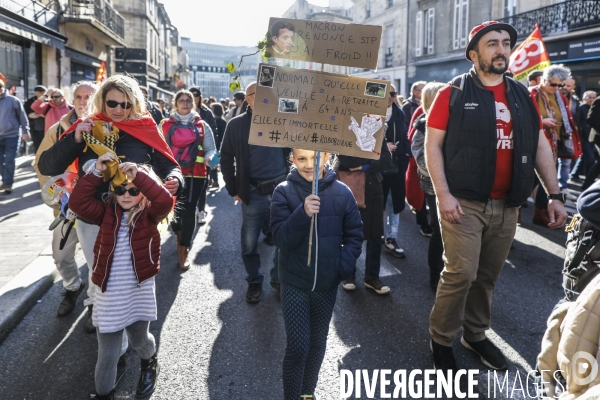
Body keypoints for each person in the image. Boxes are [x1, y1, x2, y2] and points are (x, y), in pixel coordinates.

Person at [425, 21, 567, 371]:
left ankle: (474, 335)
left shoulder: (520, 94)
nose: (501, 49)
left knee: (487, 276)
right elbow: (433, 145)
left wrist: (555, 193)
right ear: (474, 54)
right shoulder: (453, 92)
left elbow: (537, 144)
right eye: (492, 44)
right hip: (464, 201)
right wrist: (443, 194)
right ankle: (441, 338)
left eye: (505, 43)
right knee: (461, 273)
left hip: (508, 204)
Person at [37, 75, 182, 333]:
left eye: (125, 105)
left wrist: (174, 179)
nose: (118, 109)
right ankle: (108, 324)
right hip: (94, 214)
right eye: (112, 102)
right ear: (102, 101)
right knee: (100, 270)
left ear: (134, 104)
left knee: (134, 274)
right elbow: (47, 165)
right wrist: (75, 140)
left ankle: (132, 331)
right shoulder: (86, 126)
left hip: (135, 214)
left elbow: (169, 164)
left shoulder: (146, 127)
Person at [69, 157, 173, 400]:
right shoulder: (105, 211)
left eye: (134, 190)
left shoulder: (150, 214)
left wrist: (139, 175)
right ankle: (104, 395)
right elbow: (77, 202)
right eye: (120, 189)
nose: (126, 195)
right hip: (108, 295)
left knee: (140, 340)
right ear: (112, 190)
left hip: (138, 290)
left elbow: (164, 199)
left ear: (143, 191)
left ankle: (150, 363)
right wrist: (96, 171)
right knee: (108, 354)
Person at [271, 149, 363, 400]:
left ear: (327, 157)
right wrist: (302, 213)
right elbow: (280, 239)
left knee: (317, 342)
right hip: (294, 283)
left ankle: (307, 393)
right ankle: (291, 396)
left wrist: (341, 268)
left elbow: (355, 234)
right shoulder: (283, 191)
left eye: (315, 158)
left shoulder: (342, 193)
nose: (309, 165)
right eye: (302, 159)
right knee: (298, 346)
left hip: (326, 284)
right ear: (292, 160)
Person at [33, 81, 97, 317]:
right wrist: (56, 193)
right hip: (65, 208)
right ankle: (72, 287)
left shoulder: (108, 128)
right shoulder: (58, 130)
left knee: (95, 260)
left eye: (89, 97)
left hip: (96, 208)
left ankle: (93, 303)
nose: (83, 102)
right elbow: (41, 164)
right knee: (61, 256)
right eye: (79, 97)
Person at [220, 82, 288, 303]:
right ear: (246, 99)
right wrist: (233, 189)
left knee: (284, 239)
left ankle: (278, 279)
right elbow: (226, 158)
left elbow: (294, 148)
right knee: (249, 243)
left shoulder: (280, 119)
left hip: (281, 189)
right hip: (253, 191)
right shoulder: (237, 125)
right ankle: (254, 281)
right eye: (255, 94)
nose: (262, 98)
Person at [160, 90, 216, 269]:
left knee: (189, 209)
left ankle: (184, 249)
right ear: (175, 104)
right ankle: (178, 234)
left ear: (194, 103)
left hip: (196, 174)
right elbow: (157, 148)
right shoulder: (164, 125)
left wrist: (210, 158)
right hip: (171, 173)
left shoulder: (202, 125)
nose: (185, 103)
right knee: (173, 207)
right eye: (181, 100)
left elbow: (210, 148)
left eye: (188, 101)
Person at [338, 132, 392, 294]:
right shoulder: (345, 130)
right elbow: (347, 161)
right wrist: (371, 158)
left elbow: (386, 160)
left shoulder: (378, 130)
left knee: (375, 234)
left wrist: (364, 166)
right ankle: (348, 274)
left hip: (374, 187)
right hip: (350, 188)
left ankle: (372, 277)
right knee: (349, 232)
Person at [530, 65, 580, 225]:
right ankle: (514, 213)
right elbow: (523, 116)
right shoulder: (533, 93)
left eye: (560, 85)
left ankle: (541, 211)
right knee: (529, 180)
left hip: (553, 144)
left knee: (547, 179)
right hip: (535, 143)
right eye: (553, 84)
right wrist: (542, 121)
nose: (557, 88)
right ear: (544, 79)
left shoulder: (561, 97)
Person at [410, 82, 447, 290]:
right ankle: (435, 278)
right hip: (435, 188)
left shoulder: (454, 121)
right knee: (439, 233)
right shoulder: (422, 125)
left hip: (458, 189)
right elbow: (422, 161)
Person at [381, 84, 410, 258]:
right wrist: (384, 146)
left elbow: (404, 138)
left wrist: (403, 152)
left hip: (396, 166)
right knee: (378, 204)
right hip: (377, 169)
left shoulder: (399, 113)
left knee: (395, 203)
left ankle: (392, 237)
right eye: (386, 93)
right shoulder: (370, 112)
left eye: (393, 93)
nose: (390, 97)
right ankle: (377, 234)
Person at [189, 86, 218, 224]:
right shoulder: (182, 113)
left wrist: (214, 156)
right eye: (191, 94)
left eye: (196, 95)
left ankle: (201, 211)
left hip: (203, 156)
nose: (194, 97)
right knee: (186, 185)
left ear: (200, 97)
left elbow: (214, 134)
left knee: (202, 184)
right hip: (185, 157)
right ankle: (189, 209)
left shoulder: (206, 112)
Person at [0, 79, 29, 194]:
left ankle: (7, 184)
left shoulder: (13, 100)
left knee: (9, 160)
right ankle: (5, 180)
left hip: (12, 135)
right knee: (1, 161)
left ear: (3, 88)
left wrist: (25, 131)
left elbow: (22, 117)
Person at [570, 90, 597, 182]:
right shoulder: (581, 108)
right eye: (589, 97)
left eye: (594, 97)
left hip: (592, 137)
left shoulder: (595, 107)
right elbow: (577, 123)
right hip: (583, 138)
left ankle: (574, 175)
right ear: (584, 98)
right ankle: (589, 179)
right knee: (590, 158)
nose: (592, 99)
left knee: (584, 157)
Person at [23, 85, 47, 152]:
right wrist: (30, 115)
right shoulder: (29, 102)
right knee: (37, 146)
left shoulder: (48, 101)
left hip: (46, 127)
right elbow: (25, 113)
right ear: (36, 92)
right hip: (35, 127)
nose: (43, 94)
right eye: (41, 92)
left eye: (44, 93)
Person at [210, 102, 227, 188]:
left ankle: (215, 181)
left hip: (216, 144)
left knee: (213, 163)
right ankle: (212, 180)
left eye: (212, 109)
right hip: (219, 144)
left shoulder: (215, 121)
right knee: (213, 163)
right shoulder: (223, 121)